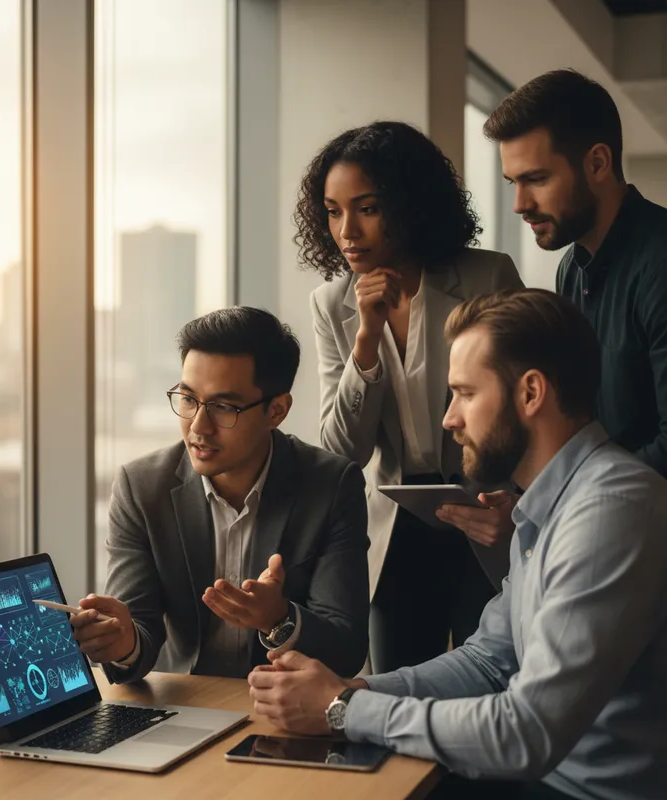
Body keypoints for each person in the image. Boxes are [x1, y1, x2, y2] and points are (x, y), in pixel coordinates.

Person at [248, 289, 667, 799]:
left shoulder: (609, 510)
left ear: (531, 393)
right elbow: (489, 661)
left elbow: (528, 732)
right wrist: (353, 690)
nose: (449, 418)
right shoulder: (548, 503)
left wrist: (345, 711)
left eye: (465, 393)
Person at [299, 120, 524, 672]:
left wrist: (518, 505)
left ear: (409, 203)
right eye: (332, 211)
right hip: (396, 531)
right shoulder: (332, 305)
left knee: (493, 683)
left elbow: (525, 410)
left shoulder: (487, 276)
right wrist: (367, 341)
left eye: (367, 207)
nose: (347, 230)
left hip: (486, 516)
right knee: (398, 690)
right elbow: (340, 451)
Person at [70, 307, 370, 682]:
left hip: (279, 709)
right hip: (180, 705)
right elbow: (139, 632)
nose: (198, 426)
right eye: (188, 399)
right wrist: (123, 643)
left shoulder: (330, 485)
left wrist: (279, 619)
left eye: (224, 407)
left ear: (276, 411)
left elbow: (347, 649)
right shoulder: (142, 487)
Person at [482, 68, 667, 478]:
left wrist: (567, 501)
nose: (519, 204)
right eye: (512, 182)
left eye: (536, 179)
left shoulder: (660, 262)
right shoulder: (571, 268)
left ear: (598, 163)